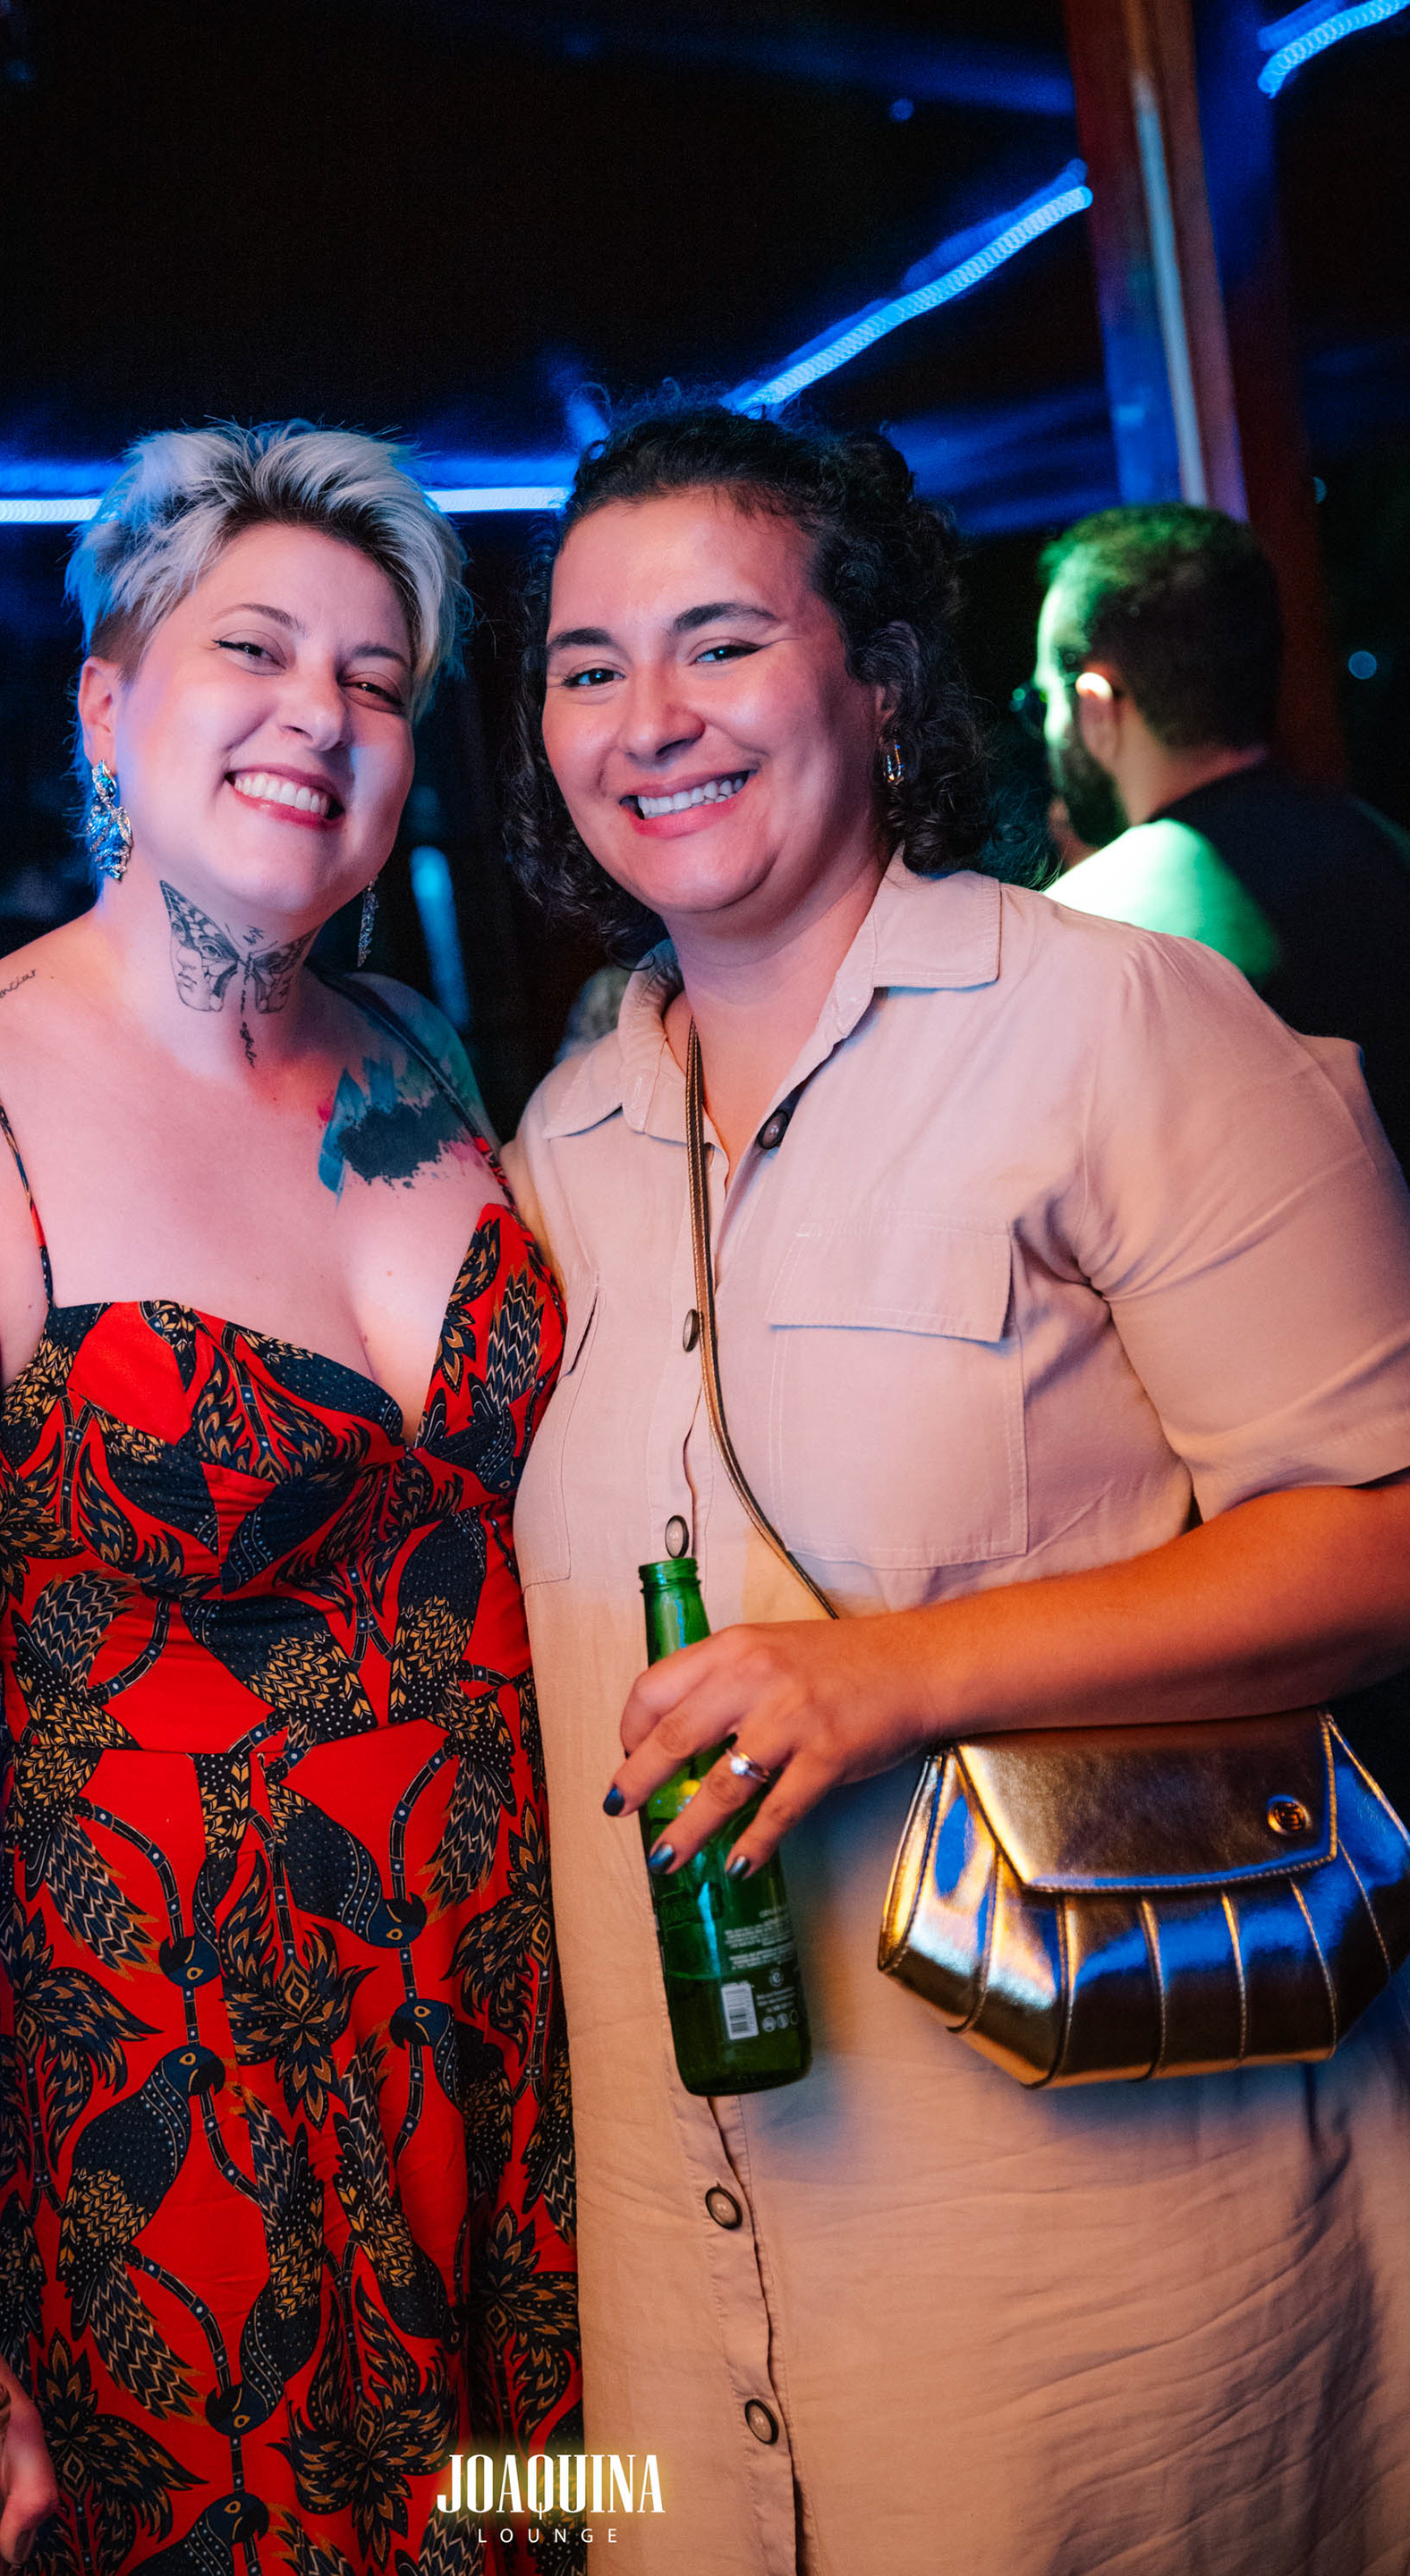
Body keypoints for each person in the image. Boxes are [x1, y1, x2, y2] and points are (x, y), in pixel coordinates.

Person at [500, 402, 1410, 2576]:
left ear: (882, 678)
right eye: (587, 664)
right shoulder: (561, 1134)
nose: (649, 717)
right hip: (690, 2240)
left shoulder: (1120, 1022)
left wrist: (893, 1675)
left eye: (722, 643)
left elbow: (1381, 1536)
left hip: (1096, 2234)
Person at [0, 425, 577, 2574]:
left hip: (526, 2085)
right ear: (105, 704)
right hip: (182, 2146)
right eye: (256, 650)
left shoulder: (421, 1057)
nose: (322, 710)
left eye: (377, 679)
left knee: (568, 2518)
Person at [1031, 501, 1410, 1165]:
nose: (1046, 729)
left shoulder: (1083, 929)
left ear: (1095, 704)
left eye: (1042, 701)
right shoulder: (1386, 842)